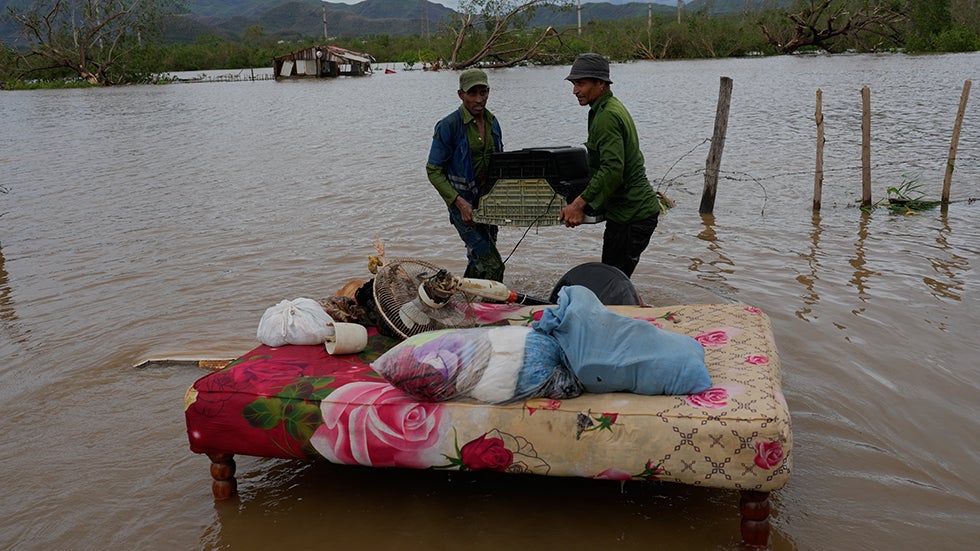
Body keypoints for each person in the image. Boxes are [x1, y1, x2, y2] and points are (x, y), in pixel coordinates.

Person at [559, 53, 662, 278]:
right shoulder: (605, 109)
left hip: (633, 214)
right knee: (614, 278)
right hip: (626, 213)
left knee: (612, 280)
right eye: (574, 84)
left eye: (581, 84)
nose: (575, 91)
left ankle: (634, 311)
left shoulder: (607, 116)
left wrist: (578, 205)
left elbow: (612, 170)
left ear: (600, 83)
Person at [426, 68, 506, 282]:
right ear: (461, 95)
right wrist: (460, 204)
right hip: (461, 204)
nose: (479, 99)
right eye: (473, 94)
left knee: (478, 258)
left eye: (484, 92)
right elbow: (433, 171)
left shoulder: (493, 122)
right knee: (492, 264)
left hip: (487, 202)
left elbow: (501, 162)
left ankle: (465, 300)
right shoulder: (449, 126)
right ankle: (490, 309)